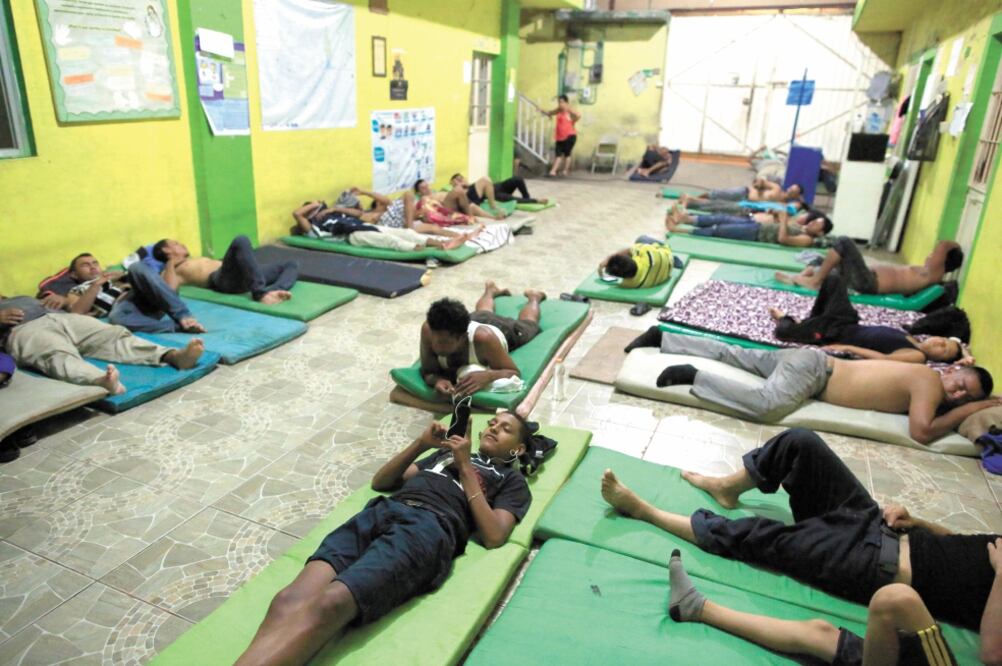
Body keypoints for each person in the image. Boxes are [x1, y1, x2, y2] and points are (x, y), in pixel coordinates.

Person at [601, 428, 1002, 663]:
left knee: (757, 537)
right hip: (880, 525)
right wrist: (919, 522)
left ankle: (644, 511)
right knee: (801, 443)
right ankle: (728, 487)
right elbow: (967, 548)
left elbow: (993, 653)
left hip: (871, 562)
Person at [234, 413, 533, 666]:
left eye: (505, 428)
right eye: (493, 422)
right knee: (289, 600)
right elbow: (383, 482)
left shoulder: (511, 481)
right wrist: (421, 444)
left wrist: (466, 466)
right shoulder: (445, 454)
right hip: (382, 511)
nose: (494, 427)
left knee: (331, 603)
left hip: (429, 529)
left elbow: (494, 535)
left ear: (518, 450)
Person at [623, 328, 998, 444]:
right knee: (769, 406)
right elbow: (922, 432)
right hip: (816, 374)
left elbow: (876, 366)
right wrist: (972, 408)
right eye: (961, 383)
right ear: (950, 370)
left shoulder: (921, 375)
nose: (959, 394)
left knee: (735, 354)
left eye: (968, 396)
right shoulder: (930, 383)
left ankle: (665, 337)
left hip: (811, 362)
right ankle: (693, 374)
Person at [0, 295, 204, 395]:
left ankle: (172, 356)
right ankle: (101, 380)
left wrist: (61, 300)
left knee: (112, 334)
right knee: (56, 354)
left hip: (60, 318)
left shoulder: (16, 297)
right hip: (23, 330)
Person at [770, 274, 970, 365]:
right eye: (943, 341)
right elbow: (959, 321)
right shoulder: (914, 339)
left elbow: (884, 359)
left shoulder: (917, 356)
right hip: (847, 321)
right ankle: (809, 323)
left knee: (783, 332)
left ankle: (788, 319)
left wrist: (846, 348)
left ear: (939, 360)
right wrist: (960, 347)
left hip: (835, 334)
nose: (939, 342)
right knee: (834, 279)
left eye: (943, 349)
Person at [420, 282, 546, 399]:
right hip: (476, 318)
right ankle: (490, 290)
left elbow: (514, 372)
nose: (438, 347)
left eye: (445, 343)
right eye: (436, 341)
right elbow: (428, 371)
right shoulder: (429, 329)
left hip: (502, 330)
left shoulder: (485, 340)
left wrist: (488, 376)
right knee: (482, 313)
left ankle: (534, 297)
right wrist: (437, 380)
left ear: (463, 337)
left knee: (529, 323)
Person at [38, 253, 205, 334]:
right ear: (74, 275)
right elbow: (77, 312)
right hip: (126, 308)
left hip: (142, 295)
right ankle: (179, 326)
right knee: (116, 319)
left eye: (95, 262)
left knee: (136, 267)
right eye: (85, 265)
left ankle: (183, 316)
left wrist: (125, 276)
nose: (93, 266)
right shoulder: (77, 290)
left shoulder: (116, 275)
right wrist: (96, 285)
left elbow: (170, 289)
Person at [776, 238, 963, 296]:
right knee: (822, 260)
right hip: (865, 277)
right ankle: (803, 277)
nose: (931, 254)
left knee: (844, 244)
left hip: (868, 282)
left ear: (944, 261)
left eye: (935, 254)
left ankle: (814, 281)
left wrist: (957, 248)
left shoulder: (933, 275)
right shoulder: (924, 271)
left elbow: (944, 245)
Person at [153, 236, 297, 305]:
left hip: (241, 275)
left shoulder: (193, 259)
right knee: (241, 241)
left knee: (290, 264)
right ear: (166, 250)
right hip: (223, 280)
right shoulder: (172, 270)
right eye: (176, 244)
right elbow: (169, 289)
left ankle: (275, 290)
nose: (182, 243)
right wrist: (170, 263)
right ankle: (260, 294)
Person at [292, 201, 470, 252]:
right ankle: (426, 251)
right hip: (352, 236)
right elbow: (297, 214)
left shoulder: (332, 215)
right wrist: (314, 205)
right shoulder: (314, 227)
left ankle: (442, 244)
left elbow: (358, 215)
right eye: (316, 210)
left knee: (406, 232)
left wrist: (333, 208)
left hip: (364, 226)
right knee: (389, 240)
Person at [666, 205, 833, 248]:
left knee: (720, 230)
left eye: (816, 223)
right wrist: (776, 215)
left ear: (820, 232)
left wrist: (783, 220)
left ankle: (678, 230)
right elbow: (778, 225)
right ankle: (683, 219)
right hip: (756, 225)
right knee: (721, 218)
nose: (811, 222)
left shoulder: (806, 239)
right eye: (814, 220)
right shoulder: (802, 228)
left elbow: (783, 239)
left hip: (756, 233)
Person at [599, 240, 676, 289]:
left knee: (640, 240)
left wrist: (601, 269)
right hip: (667, 257)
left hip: (666, 271)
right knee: (641, 239)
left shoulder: (628, 284)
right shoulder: (647, 252)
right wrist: (609, 258)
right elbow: (629, 249)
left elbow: (616, 284)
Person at [413, 179, 501, 221]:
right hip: (446, 208)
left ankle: (492, 217)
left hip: (458, 202)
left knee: (472, 206)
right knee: (458, 190)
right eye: (423, 188)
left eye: (427, 186)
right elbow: (429, 208)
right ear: (419, 192)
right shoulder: (423, 198)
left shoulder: (436, 192)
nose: (427, 188)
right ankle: (471, 218)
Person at [449, 173, 548, 208]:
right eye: (456, 181)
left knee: (517, 179)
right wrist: (461, 186)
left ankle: (527, 198)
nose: (460, 180)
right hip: (495, 195)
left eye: (460, 178)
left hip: (499, 186)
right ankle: (535, 201)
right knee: (512, 199)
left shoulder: (472, 184)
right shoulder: (463, 192)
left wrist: (467, 183)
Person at [686, 177, 803, 204]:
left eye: (795, 191)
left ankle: (691, 201)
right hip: (745, 192)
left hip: (746, 203)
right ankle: (689, 199)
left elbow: (802, 205)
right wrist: (759, 186)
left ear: (796, 195)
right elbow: (761, 181)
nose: (791, 190)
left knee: (717, 203)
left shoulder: (784, 204)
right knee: (717, 194)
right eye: (792, 188)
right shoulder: (777, 189)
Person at [545, 95, 580, 177]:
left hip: (570, 136)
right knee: (558, 154)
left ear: (566, 102)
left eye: (562, 102)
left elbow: (578, 115)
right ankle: (553, 171)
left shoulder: (569, 109)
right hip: (560, 136)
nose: (560, 104)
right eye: (559, 102)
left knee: (566, 154)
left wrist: (572, 121)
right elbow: (551, 112)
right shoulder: (559, 110)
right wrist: (543, 111)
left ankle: (564, 171)